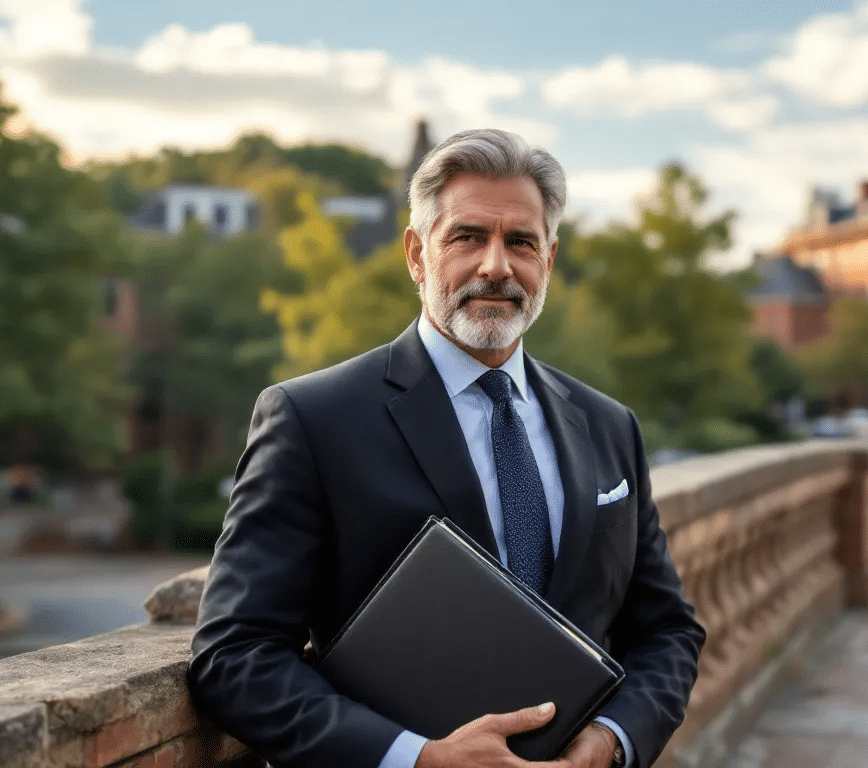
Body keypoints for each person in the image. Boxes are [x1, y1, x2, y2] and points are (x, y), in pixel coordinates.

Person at [188, 129, 706, 768]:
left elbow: (666, 632)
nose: (496, 265)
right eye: (467, 237)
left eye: (521, 241)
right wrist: (418, 759)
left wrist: (610, 744)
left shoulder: (609, 425)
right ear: (416, 253)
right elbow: (234, 656)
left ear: (549, 259)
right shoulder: (311, 418)